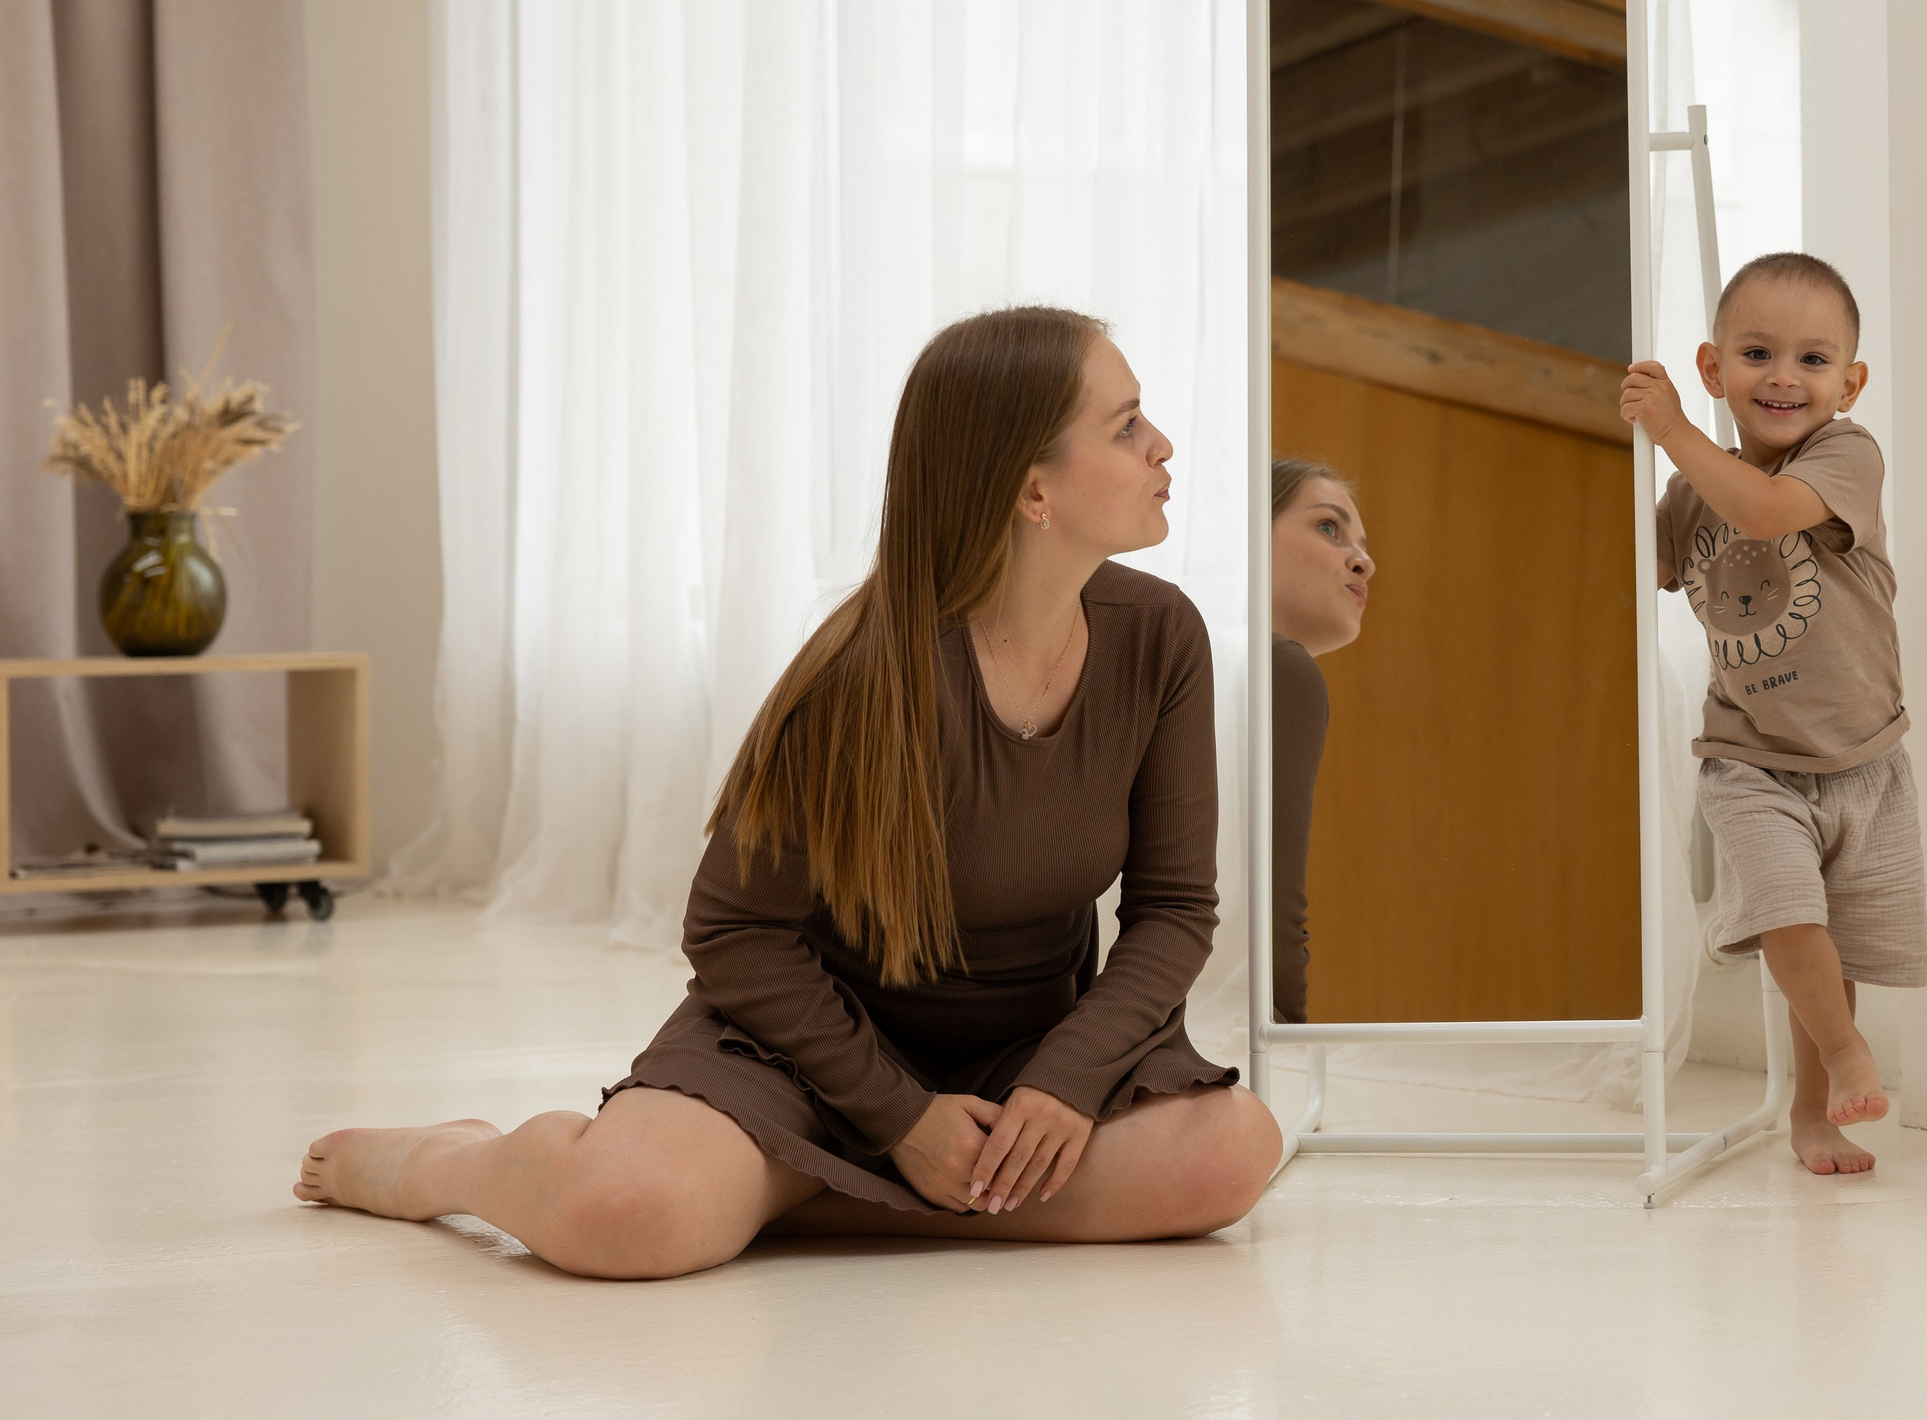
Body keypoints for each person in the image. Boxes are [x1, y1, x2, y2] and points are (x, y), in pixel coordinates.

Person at [296, 307, 1280, 1275]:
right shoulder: (858, 673)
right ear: (1032, 491)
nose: (1162, 445)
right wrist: (897, 1118)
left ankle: (783, 1196)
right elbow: (734, 932)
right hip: (813, 1055)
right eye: (1126, 425)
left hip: (1025, 1054)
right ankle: (459, 1158)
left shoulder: (1162, 636)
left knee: (1231, 1152)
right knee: (620, 1215)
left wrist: (1066, 1082)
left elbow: (1172, 910)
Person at [1619, 253, 1924, 1178]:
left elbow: (1762, 512)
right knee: (1791, 914)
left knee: (1836, 951)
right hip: (1748, 755)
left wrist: (1672, 429)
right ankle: (1844, 1059)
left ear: (1849, 383)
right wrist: (1640, 451)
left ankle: (1811, 1112)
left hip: (1864, 756)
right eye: (1757, 353)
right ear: (1716, 370)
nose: (1784, 377)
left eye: (1812, 360)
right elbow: (1637, 568)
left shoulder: (1845, 455)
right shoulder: (1687, 491)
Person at [1267, 460, 1374, 1025]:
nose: (1365, 561)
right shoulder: (1284, 670)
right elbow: (1276, 907)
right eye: (1329, 528)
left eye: (1362, 542)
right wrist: (1283, 1040)